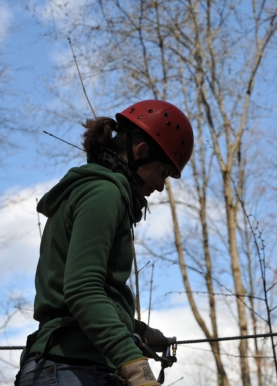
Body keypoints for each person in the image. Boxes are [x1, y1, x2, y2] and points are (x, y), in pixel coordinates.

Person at [15, 100, 194, 386]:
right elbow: (82, 290)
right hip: (73, 367)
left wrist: (139, 331)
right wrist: (135, 366)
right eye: (162, 172)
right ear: (141, 152)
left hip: (65, 367)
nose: (160, 186)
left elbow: (89, 296)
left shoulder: (95, 191)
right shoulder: (104, 194)